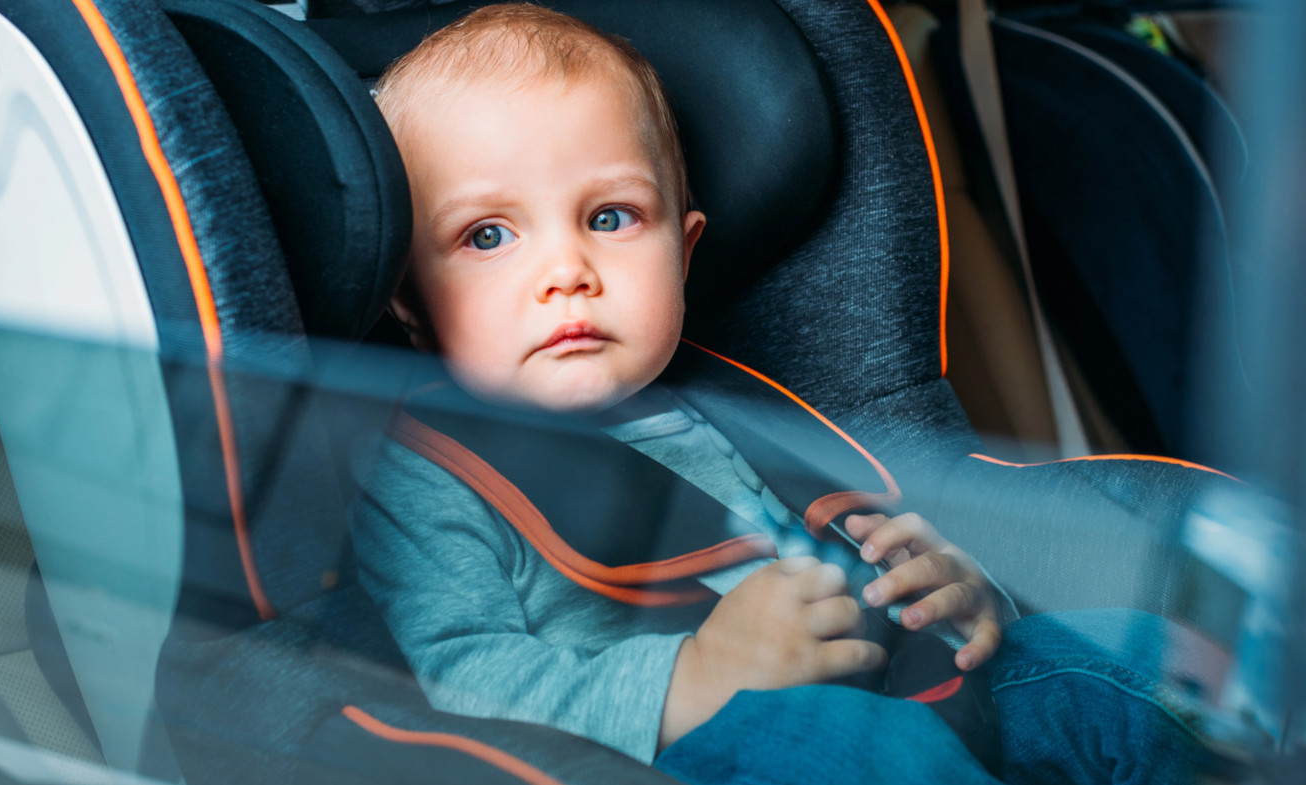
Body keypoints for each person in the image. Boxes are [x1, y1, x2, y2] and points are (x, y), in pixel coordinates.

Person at [350, 5, 1209, 783]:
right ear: (411, 301)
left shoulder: (726, 401)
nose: (565, 273)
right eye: (487, 235)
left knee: (1138, 658)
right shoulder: (429, 470)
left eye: (610, 217)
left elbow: (832, 547)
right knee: (866, 749)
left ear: (684, 252)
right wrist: (694, 677)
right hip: (685, 747)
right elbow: (461, 686)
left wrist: (959, 590)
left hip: (893, 680)